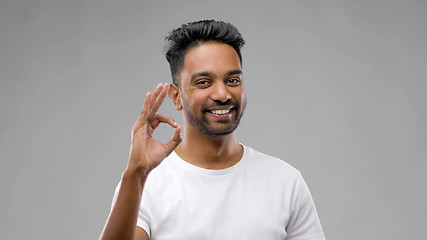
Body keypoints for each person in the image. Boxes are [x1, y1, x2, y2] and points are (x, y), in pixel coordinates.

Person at [99, 20, 325, 240]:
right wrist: (136, 172)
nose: (222, 94)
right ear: (176, 96)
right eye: (204, 82)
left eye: (233, 80)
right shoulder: (145, 185)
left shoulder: (285, 181)